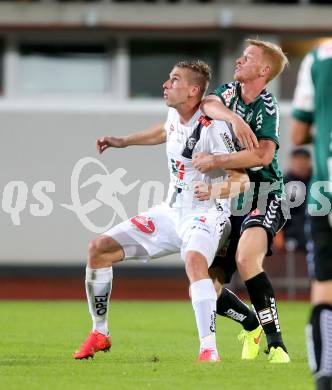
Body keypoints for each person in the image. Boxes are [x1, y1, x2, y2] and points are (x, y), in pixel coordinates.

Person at [73, 60, 258, 362]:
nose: (165, 85)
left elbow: (241, 181)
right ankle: (99, 332)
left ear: (193, 90)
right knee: (99, 249)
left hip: (207, 213)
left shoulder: (216, 128)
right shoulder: (174, 113)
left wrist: (212, 189)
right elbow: (165, 131)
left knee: (195, 262)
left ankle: (208, 349)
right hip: (170, 211)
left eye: (174, 80)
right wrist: (125, 142)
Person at [193, 38, 291, 363]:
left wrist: (217, 159)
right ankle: (251, 323)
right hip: (233, 196)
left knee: (248, 259)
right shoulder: (231, 92)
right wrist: (233, 119)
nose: (238, 60)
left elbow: (263, 155)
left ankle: (276, 345)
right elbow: (207, 103)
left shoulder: (268, 106)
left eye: (247, 57)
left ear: (263, 70)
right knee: (207, 285)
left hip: (265, 192)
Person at [291, 39, 332, 390]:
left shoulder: (318, 56)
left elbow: (298, 132)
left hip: (326, 191)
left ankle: (325, 373)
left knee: (324, 288)